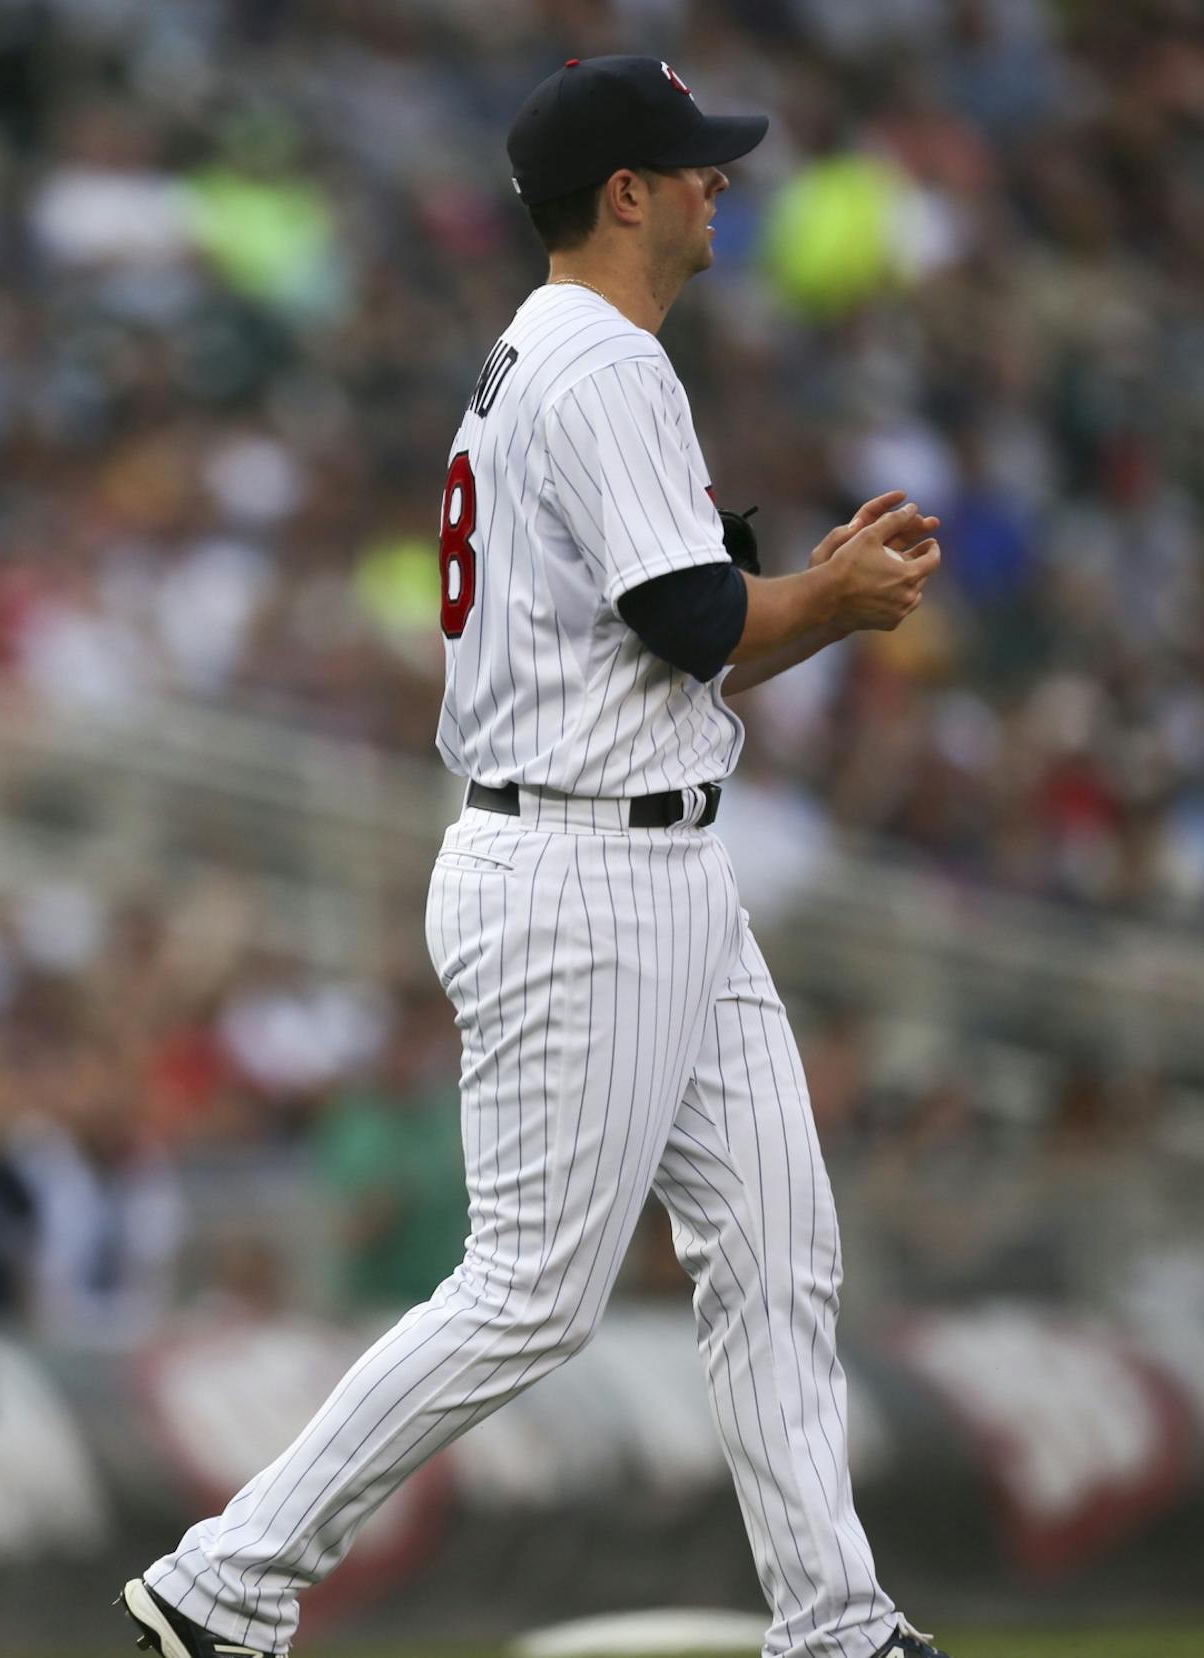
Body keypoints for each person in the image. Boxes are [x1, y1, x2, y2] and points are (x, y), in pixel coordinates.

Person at [121, 57, 949, 1658]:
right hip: (582, 870)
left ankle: (837, 1622)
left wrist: (820, 594)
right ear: (622, 192)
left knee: (778, 1247)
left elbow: (678, 648)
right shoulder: (595, 363)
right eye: (695, 166)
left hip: (656, 855)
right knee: (532, 1293)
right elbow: (698, 616)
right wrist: (830, 600)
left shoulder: (559, 357)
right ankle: (229, 1577)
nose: (723, 185)